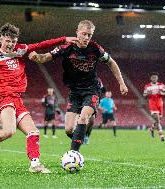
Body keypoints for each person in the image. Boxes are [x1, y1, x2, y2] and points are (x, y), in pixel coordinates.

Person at [0, 23, 79, 173]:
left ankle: (35, 164)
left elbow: (42, 44)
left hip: (17, 98)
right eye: (8, 41)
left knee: (33, 132)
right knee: (9, 131)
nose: (10, 45)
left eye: (13, 41)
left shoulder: (20, 49)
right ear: (1, 38)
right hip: (3, 97)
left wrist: (64, 39)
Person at [29, 20, 128, 152]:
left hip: (92, 89)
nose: (87, 38)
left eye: (90, 35)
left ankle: (74, 153)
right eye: (84, 34)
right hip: (75, 92)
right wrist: (36, 57)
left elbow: (111, 63)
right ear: (77, 32)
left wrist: (121, 83)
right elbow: (45, 58)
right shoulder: (66, 48)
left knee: (83, 117)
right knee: (69, 129)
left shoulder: (95, 48)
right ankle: (83, 134)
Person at [143, 72, 165, 141]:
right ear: (151, 78)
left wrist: (161, 93)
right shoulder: (147, 86)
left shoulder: (161, 85)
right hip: (152, 103)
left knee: (158, 120)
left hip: (160, 103)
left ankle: (151, 129)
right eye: (153, 77)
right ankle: (161, 136)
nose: (154, 78)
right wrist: (149, 93)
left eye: (155, 77)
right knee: (157, 119)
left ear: (157, 78)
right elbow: (144, 95)